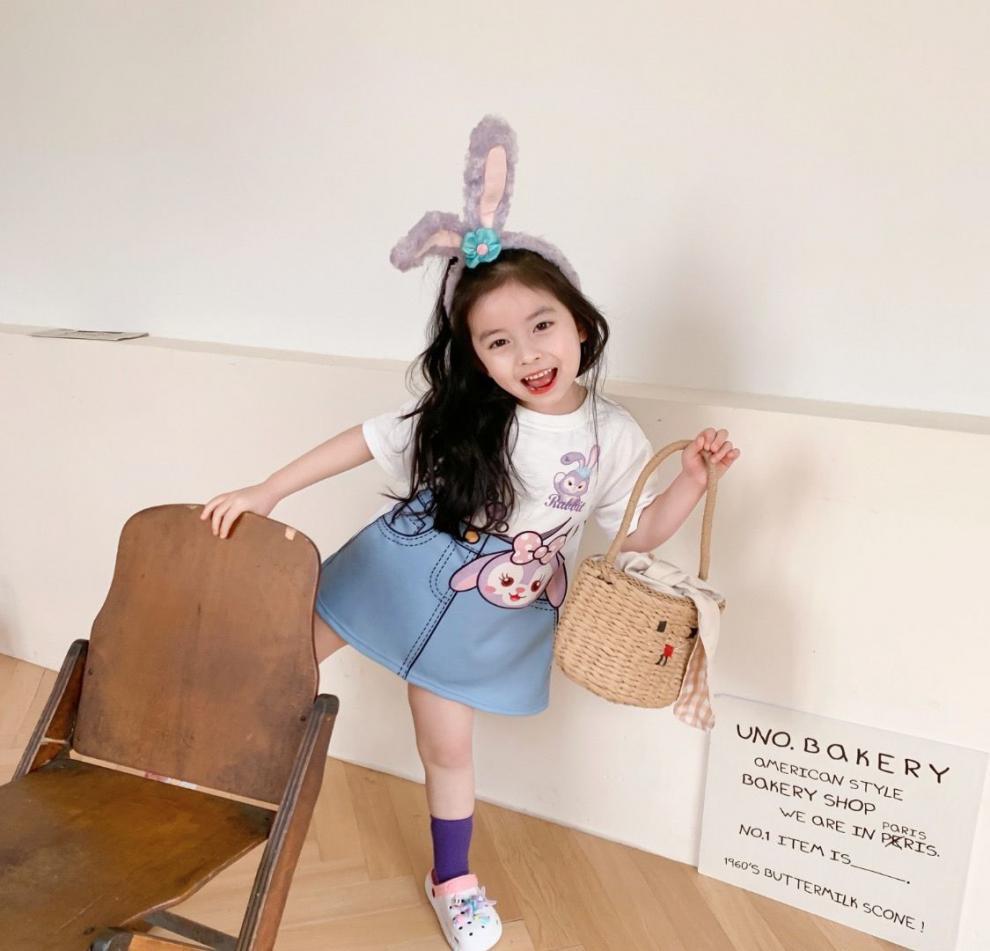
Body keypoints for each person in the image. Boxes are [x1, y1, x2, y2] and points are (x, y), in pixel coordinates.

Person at [201, 116, 740, 951]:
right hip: (399, 570)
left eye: (542, 326)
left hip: (492, 611)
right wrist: (267, 489)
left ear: (580, 324)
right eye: (498, 341)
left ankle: (451, 878)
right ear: (478, 358)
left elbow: (632, 536)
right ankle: (191, 768)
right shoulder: (464, 413)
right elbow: (364, 440)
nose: (527, 353)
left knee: (446, 748)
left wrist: (693, 484)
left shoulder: (613, 434)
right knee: (282, 661)